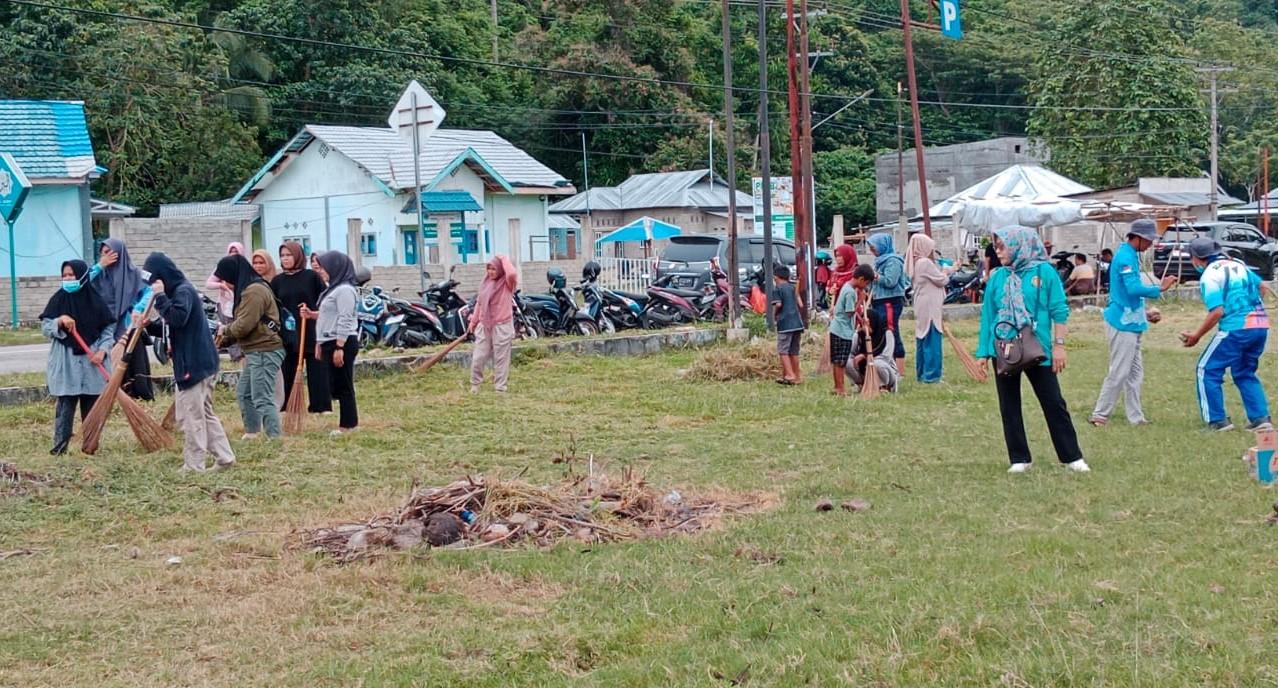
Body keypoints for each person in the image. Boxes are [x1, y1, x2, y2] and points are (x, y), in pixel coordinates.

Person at [976, 226, 1088, 474]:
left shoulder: (1044, 272)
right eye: (997, 246)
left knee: (1053, 402)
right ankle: (1019, 458)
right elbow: (988, 316)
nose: (998, 251)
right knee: (1009, 404)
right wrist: (983, 353)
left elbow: (1059, 311)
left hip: (1038, 346)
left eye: (1003, 245)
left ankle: (1072, 456)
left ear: (1020, 245)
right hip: (1004, 347)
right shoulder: (998, 277)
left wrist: (1059, 347)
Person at [143, 253, 235, 471]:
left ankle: (194, 464)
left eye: (154, 280)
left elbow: (177, 317)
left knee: (191, 417)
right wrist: (149, 325)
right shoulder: (179, 291)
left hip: (194, 363)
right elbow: (172, 325)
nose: (152, 285)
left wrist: (160, 297)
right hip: (199, 360)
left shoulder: (182, 291)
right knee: (204, 412)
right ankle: (225, 457)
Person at [1088, 220, 1178, 427]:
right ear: (1136, 238)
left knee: (1135, 374)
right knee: (1119, 371)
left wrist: (1144, 313)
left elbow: (1126, 294)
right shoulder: (1125, 258)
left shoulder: (1130, 255)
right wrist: (1159, 288)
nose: (1150, 244)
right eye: (1147, 240)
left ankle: (1136, 418)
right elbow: (1133, 289)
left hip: (1132, 321)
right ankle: (1100, 414)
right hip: (1121, 324)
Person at [1179, 237, 1272, 432]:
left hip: (1235, 329)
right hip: (1261, 326)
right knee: (1245, 371)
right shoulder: (1237, 264)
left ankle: (1217, 421)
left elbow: (1217, 312)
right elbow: (1262, 286)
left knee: (1206, 370)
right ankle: (1260, 418)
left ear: (1196, 258)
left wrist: (1196, 335)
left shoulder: (1209, 276)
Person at [40, 260, 116, 455]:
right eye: (64, 275)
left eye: (71, 275)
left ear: (82, 276)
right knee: (65, 407)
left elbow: (108, 328)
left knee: (91, 407)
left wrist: (102, 350)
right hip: (67, 363)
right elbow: (46, 327)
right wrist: (59, 321)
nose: (67, 279)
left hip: (93, 363)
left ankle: (89, 447)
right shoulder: (58, 300)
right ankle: (60, 449)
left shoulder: (95, 300)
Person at [213, 254, 285, 440]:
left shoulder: (254, 291)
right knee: (245, 393)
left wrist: (224, 330)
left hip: (265, 349)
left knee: (262, 397)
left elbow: (244, 325)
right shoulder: (247, 289)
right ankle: (252, 432)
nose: (225, 283)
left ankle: (274, 438)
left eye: (226, 278)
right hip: (254, 350)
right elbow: (243, 326)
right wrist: (225, 338)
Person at [90, 238, 154, 401]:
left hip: (129, 327)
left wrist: (139, 308)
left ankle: (138, 393)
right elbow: (82, 285)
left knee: (134, 362)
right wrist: (100, 266)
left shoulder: (135, 274)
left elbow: (150, 291)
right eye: (102, 253)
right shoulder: (98, 274)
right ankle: (112, 394)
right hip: (105, 328)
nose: (105, 256)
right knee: (110, 362)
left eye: (109, 252)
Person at [272, 241, 331, 414]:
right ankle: (289, 405)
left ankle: (321, 406)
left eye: (289, 255)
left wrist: (312, 312)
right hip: (289, 333)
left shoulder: (312, 277)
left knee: (317, 370)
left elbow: (324, 302)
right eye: (282, 255)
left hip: (310, 328)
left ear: (297, 256)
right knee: (288, 370)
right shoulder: (277, 281)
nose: (285, 259)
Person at [308, 251, 360, 434]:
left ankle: (348, 425)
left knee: (344, 385)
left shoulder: (345, 290)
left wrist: (340, 346)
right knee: (336, 384)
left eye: (324, 267)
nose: (321, 271)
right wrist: (319, 343)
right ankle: (347, 422)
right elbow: (326, 317)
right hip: (329, 340)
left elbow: (345, 319)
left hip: (341, 341)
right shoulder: (332, 289)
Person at [469, 255, 518, 393]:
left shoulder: (508, 283)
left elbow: (512, 273)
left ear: (501, 270)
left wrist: (503, 259)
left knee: (501, 358)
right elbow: (479, 303)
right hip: (484, 325)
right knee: (479, 356)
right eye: (489, 269)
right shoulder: (485, 283)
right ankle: (475, 384)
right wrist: (474, 321)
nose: (491, 272)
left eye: (494, 269)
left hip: (502, 325)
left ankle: (500, 387)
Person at [827, 264, 876, 396]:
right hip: (842, 331)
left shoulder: (847, 287)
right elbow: (849, 312)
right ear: (861, 279)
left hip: (837, 329)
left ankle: (838, 387)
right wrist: (860, 300)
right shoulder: (850, 292)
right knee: (840, 361)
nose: (865, 287)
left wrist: (861, 320)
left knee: (837, 360)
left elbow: (850, 312)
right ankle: (840, 388)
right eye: (866, 283)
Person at [905, 233, 946, 384]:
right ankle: (932, 375)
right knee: (932, 338)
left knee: (922, 338)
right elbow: (941, 280)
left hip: (921, 303)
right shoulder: (925, 263)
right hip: (930, 306)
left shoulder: (915, 262)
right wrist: (947, 271)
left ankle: (922, 373)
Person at [866, 233, 909, 375]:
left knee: (891, 332)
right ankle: (888, 365)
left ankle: (900, 370)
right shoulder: (879, 261)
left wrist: (875, 276)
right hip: (878, 301)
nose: (872, 251)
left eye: (874, 248)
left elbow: (891, 281)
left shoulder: (893, 261)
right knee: (882, 333)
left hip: (890, 301)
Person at [207, 242, 246, 360]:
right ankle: (236, 357)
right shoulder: (223, 266)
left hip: (241, 304)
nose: (233, 255)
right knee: (228, 330)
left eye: (236, 252)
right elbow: (209, 283)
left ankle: (243, 356)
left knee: (240, 329)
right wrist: (221, 285)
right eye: (231, 252)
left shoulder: (245, 267)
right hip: (226, 305)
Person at [849, 307, 899, 393]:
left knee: (877, 364)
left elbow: (885, 357)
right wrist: (857, 334)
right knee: (846, 362)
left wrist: (865, 356)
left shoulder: (886, 334)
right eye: (863, 323)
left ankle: (883, 386)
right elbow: (851, 353)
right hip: (864, 370)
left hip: (884, 368)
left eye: (868, 323)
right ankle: (862, 383)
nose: (865, 326)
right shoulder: (860, 335)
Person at [771, 264, 804, 385]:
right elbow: (801, 305)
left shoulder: (777, 289)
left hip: (785, 323)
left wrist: (774, 315)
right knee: (794, 351)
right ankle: (796, 376)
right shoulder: (792, 288)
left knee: (783, 350)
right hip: (797, 323)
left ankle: (789, 374)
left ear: (776, 277)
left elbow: (778, 305)